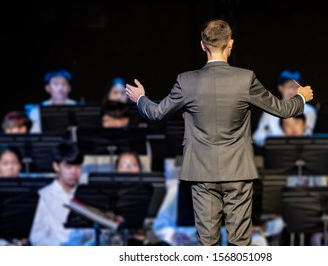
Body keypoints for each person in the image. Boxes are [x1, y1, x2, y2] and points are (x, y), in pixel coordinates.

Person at [126, 19, 313, 245]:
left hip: (202, 172)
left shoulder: (186, 81)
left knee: (207, 245)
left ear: (202, 46)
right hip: (238, 171)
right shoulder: (246, 79)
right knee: (240, 243)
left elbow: (155, 113)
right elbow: (283, 109)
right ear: (231, 44)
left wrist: (140, 99)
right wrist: (302, 96)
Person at [29, 141, 92, 245]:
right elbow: (37, 237)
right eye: (68, 166)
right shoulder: (43, 196)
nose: (74, 171)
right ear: (56, 166)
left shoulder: (89, 193)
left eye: (78, 166)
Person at [252, 69, 317, 147]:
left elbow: (308, 135)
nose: (292, 91)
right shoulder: (270, 109)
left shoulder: (309, 111)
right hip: (277, 152)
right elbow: (258, 137)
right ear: (280, 88)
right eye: (289, 87)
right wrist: (274, 140)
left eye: (296, 87)